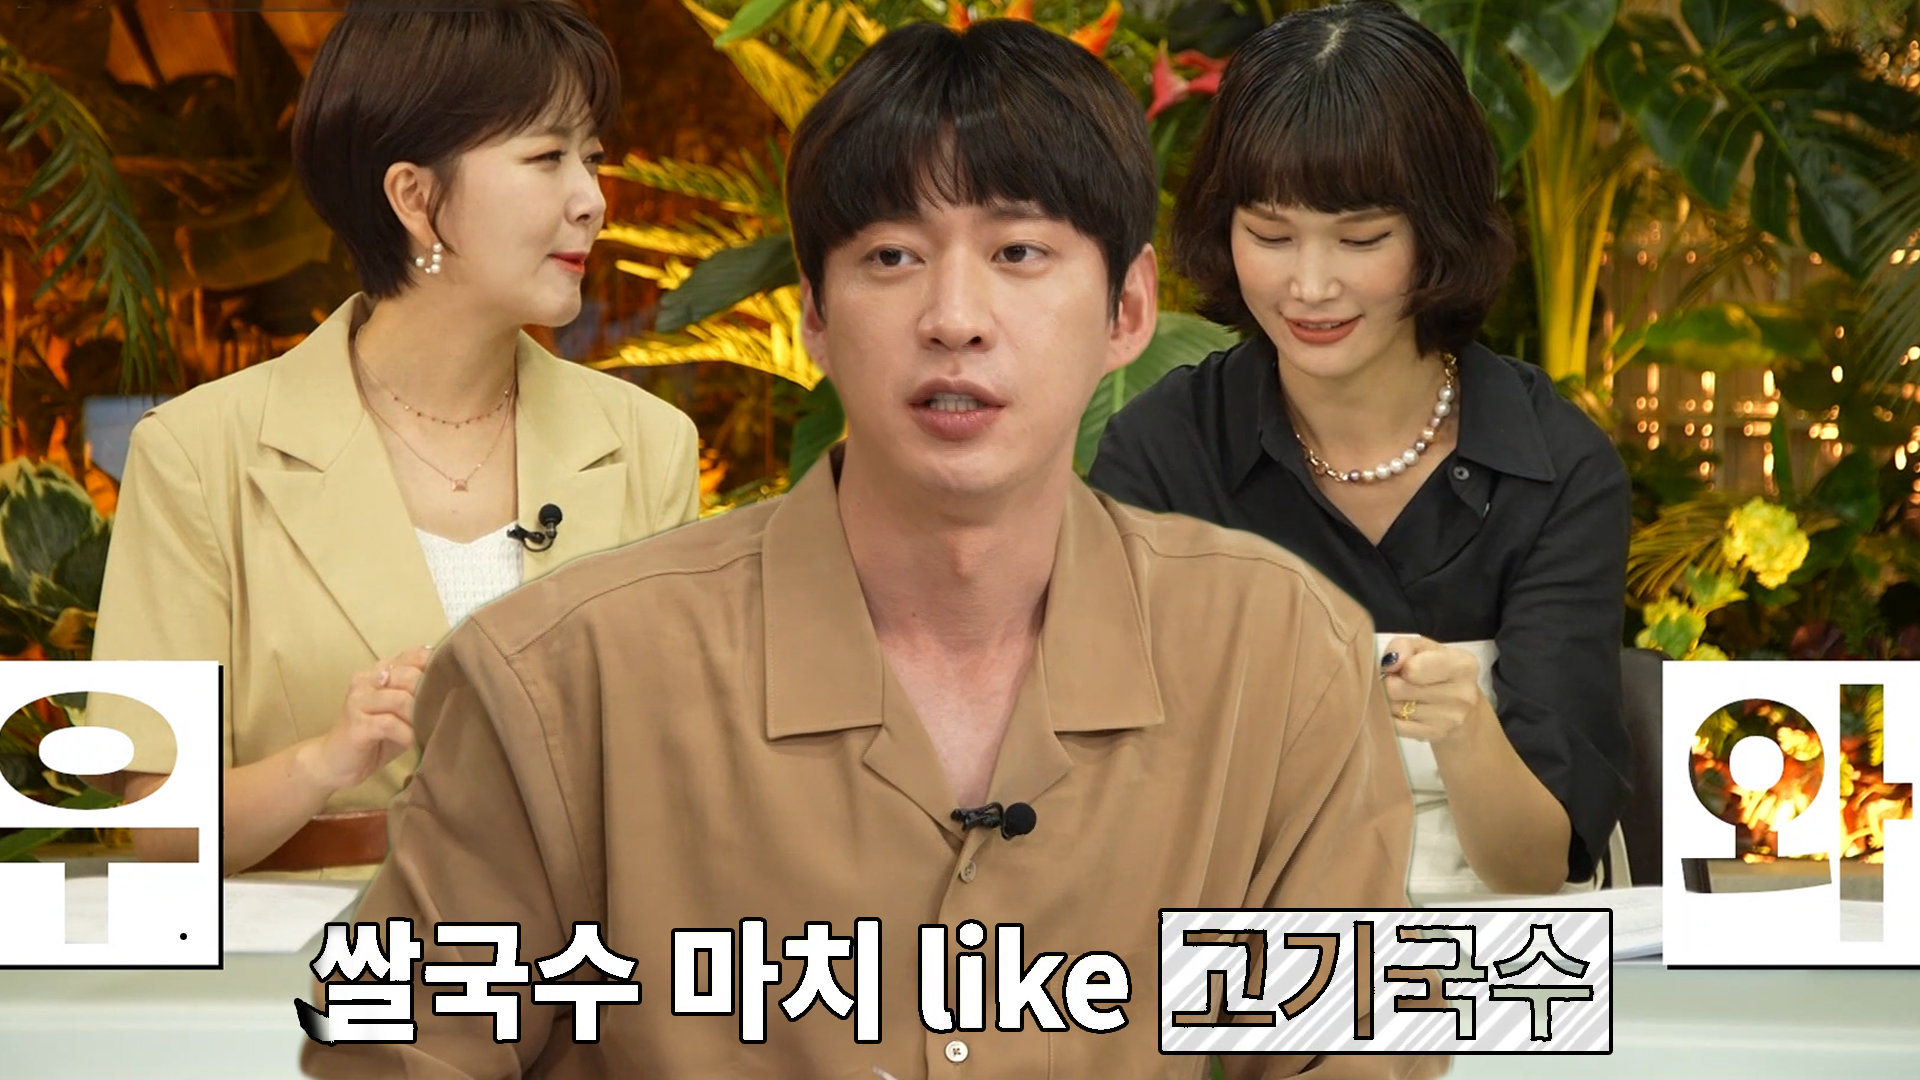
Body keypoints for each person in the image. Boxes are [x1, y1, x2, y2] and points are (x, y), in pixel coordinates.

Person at [301, 18, 1438, 1079]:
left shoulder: (1277, 660)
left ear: (1128, 310)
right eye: (892, 257)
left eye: (1020, 252)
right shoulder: (556, 684)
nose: (955, 317)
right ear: (813, 314)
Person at [82, 0, 702, 878]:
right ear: (414, 196)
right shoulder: (198, 454)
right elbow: (158, 827)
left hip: (576, 951)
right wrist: (322, 762)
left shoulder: (649, 446)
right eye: (547, 158)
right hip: (316, 950)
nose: (592, 201)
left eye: (592, 158)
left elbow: (685, 774)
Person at [1089, 1, 1632, 902]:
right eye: (1270, 235)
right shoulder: (1166, 451)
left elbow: (1536, 870)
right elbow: (1104, 793)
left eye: (1362, 238)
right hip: (1235, 944)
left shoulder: (1556, 469)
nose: (1309, 285)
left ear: (1439, 231)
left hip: (1495, 947)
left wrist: (1463, 727)